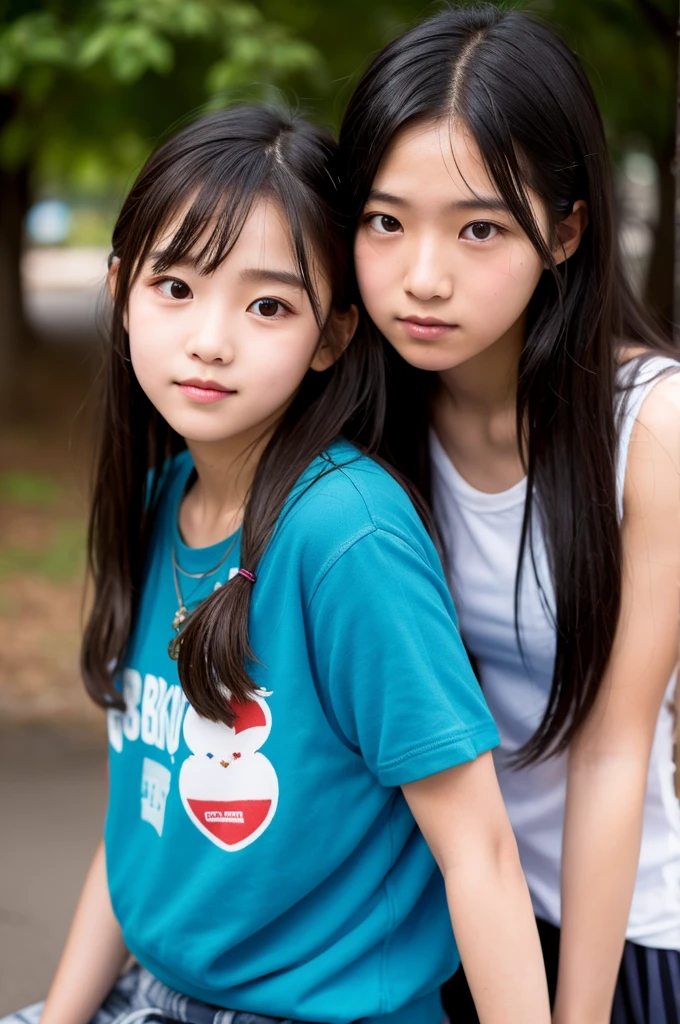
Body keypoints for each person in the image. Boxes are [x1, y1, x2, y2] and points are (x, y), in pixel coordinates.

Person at [2, 107, 551, 1024]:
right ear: (118, 292)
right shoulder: (158, 498)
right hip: (156, 995)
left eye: (267, 306)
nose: (212, 339)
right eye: (175, 287)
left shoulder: (347, 535)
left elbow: (478, 853)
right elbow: (141, 828)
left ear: (332, 337)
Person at [339, 5, 680, 1023]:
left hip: (610, 931)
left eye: (478, 227)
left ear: (565, 231)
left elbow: (613, 748)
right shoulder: (365, 419)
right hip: (431, 917)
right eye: (382, 221)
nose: (422, 276)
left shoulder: (647, 430)